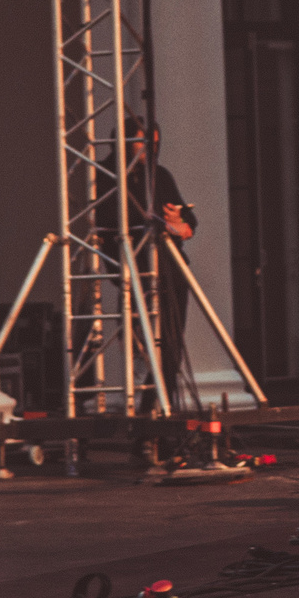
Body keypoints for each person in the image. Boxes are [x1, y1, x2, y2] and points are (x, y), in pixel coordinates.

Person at [119, 119, 198, 407]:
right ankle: (143, 412)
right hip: (136, 274)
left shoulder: (160, 176)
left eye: (153, 144)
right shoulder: (112, 178)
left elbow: (188, 223)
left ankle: (157, 409)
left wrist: (178, 222)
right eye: (141, 142)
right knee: (142, 350)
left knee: (171, 350)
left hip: (171, 273)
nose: (148, 150)